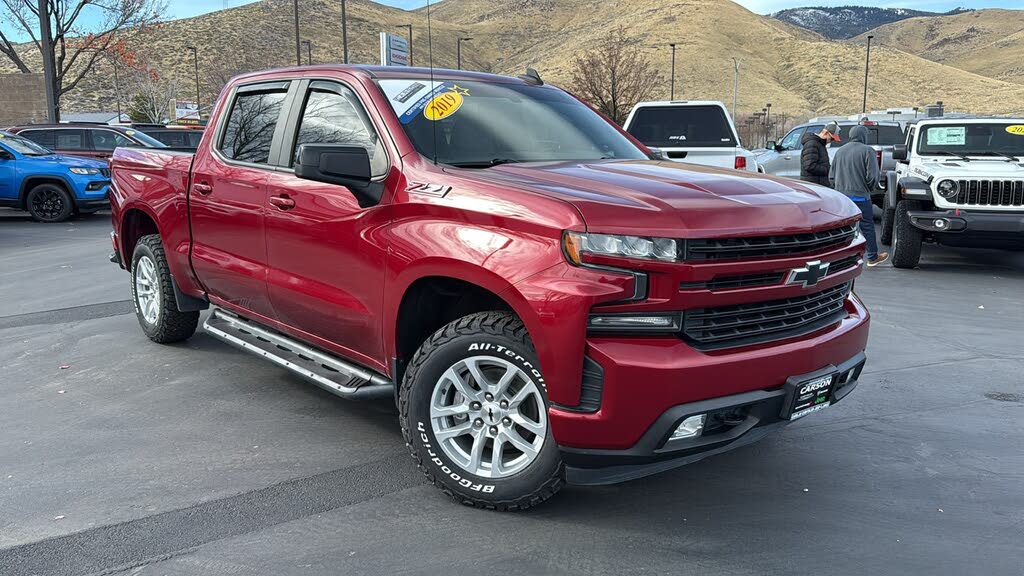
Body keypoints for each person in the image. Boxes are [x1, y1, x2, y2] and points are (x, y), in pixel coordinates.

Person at [830, 125, 889, 266]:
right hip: (861, 197)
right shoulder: (867, 151)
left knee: (843, 229)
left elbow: (831, 176)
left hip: (843, 198)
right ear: (864, 136)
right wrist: (869, 189)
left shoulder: (840, 151)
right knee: (867, 227)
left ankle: (839, 259)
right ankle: (872, 257)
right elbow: (873, 176)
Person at [800, 122, 840, 186]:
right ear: (825, 133)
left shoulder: (820, 144)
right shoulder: (812, 144)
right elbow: (809, 166)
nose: (831, 141)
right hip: (813, 184)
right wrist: (828, 169)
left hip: (818, 183)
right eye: (832, 138)